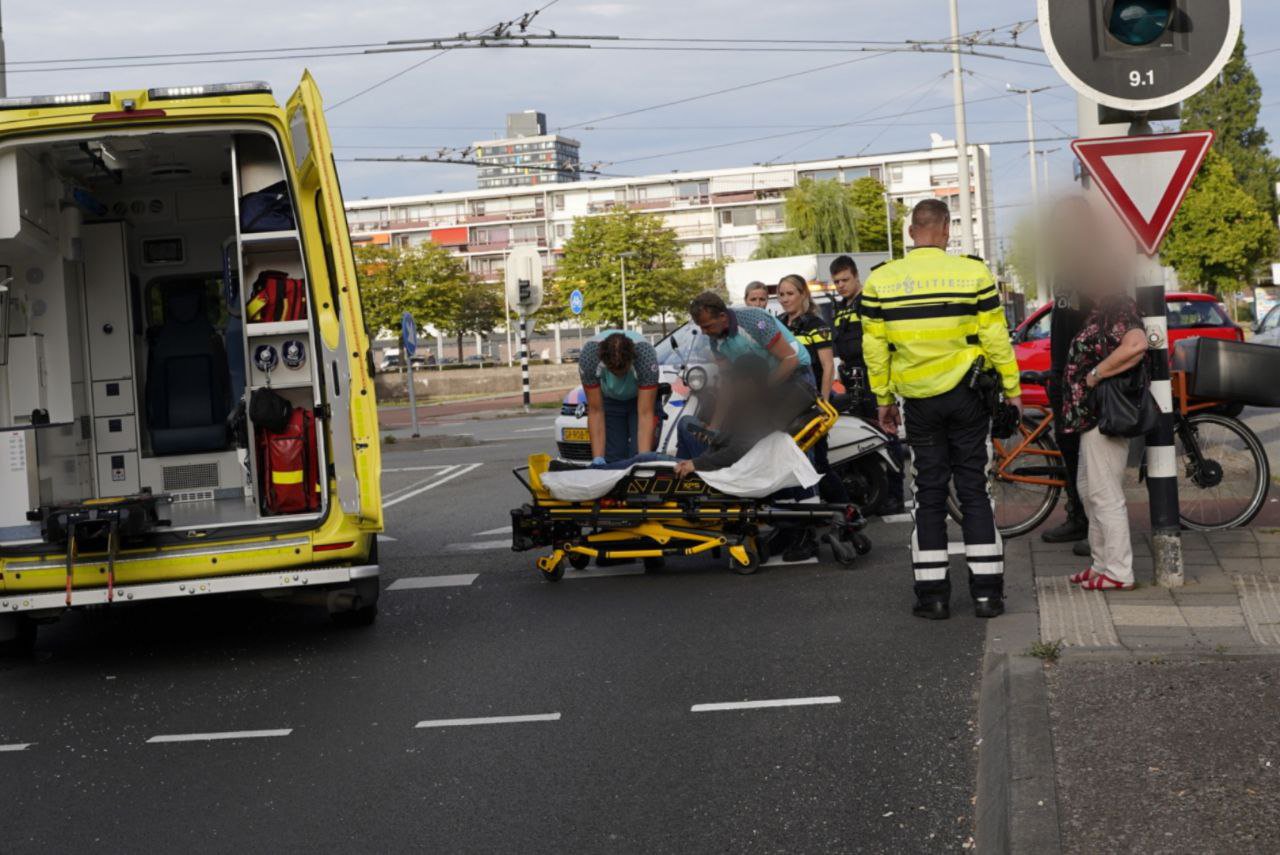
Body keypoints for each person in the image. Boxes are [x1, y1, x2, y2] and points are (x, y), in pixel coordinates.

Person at [862, 199, 1022, 620]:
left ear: (912, 231)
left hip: (918, 402)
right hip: (969, 398)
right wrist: (1012, 386)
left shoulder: (882, 281)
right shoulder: (973, 273)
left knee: (928, 493)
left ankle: (933, 596)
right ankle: (987, 595)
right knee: (974, 490)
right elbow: (995, 336)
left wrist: (882, 399)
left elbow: (874, 348)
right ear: (946, 229)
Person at [1060, 293, 1148, 591]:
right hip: (1089, 419)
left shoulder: (1120, 307)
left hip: (1103, 416)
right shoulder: (1103, 310)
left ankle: (1120, 571)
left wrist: (1095, 376)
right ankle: (1101, 564)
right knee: (1089, 491)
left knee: (1105, 494)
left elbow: (1136, 345)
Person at [678, 292, 815, 462]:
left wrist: (759, 391)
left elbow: (790, 360)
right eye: (701, 327)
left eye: (707, 326)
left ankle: (808, 483)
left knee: (793, 446)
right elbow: (727, 386)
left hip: (797, 376)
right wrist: (714, 426)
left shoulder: (753, 321)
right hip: (767, 382)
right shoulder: (715, 341)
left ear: (722, 316)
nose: (704, 332)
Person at [1041, 198, 1098, 553]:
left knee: (1087, 453)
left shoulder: (1093, 264)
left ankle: (1093, 526)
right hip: (1063, 370)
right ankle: (1079, 516)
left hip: (1083, 374)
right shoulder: (1067, 265)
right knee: (1069, 449)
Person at [829, 255, 905, 515]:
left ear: (856, 276)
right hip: (851, 379)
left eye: (845, 280)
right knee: (861, 437)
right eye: (836, 281)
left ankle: (895, 494)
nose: (840, 285)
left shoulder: (867, 302)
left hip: (873, 378)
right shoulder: (839, 307)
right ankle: (872, 492)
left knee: (886, 433)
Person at [777, 273, 850, 507]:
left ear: (803, 295)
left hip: (812, 404)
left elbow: (828, 366)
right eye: (781, 294)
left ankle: (844, 512)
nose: (785, 299)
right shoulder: (778, 323)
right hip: (787, 406)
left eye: (790, 294)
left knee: (818, 463)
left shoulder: (815, 325)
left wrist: (824, 403)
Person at [576, 330, 660, 465]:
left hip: (639, 398)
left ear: (632, 359)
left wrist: (643, 461)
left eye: (623, 370)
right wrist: (597, 457)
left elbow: (645, 413)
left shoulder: (645, 357)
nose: (619, 375)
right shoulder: (589, 358)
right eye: (613, 371)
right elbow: (596, 410)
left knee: (637, 455)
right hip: (610, 398)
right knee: (614, 457)